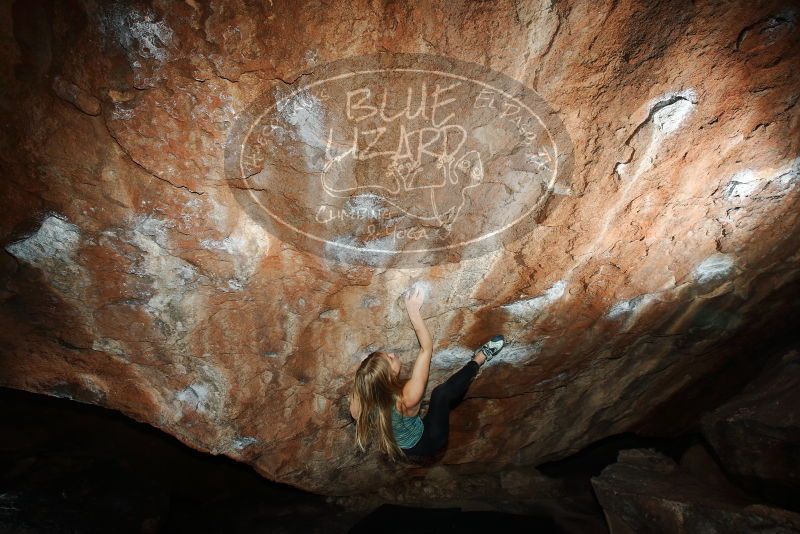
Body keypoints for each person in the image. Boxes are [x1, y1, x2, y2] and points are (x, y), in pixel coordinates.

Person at [348, 285, 505, 462]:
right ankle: (480, 358)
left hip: (404, 445)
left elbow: (361, 387)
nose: (393, 354)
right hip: (429, 440)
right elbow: (426, 349)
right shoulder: (408, 397)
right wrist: (413, 311)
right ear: (390, 375)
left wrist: (367, 370)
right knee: (441, 394)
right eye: (390, 359)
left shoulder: (359, 402)